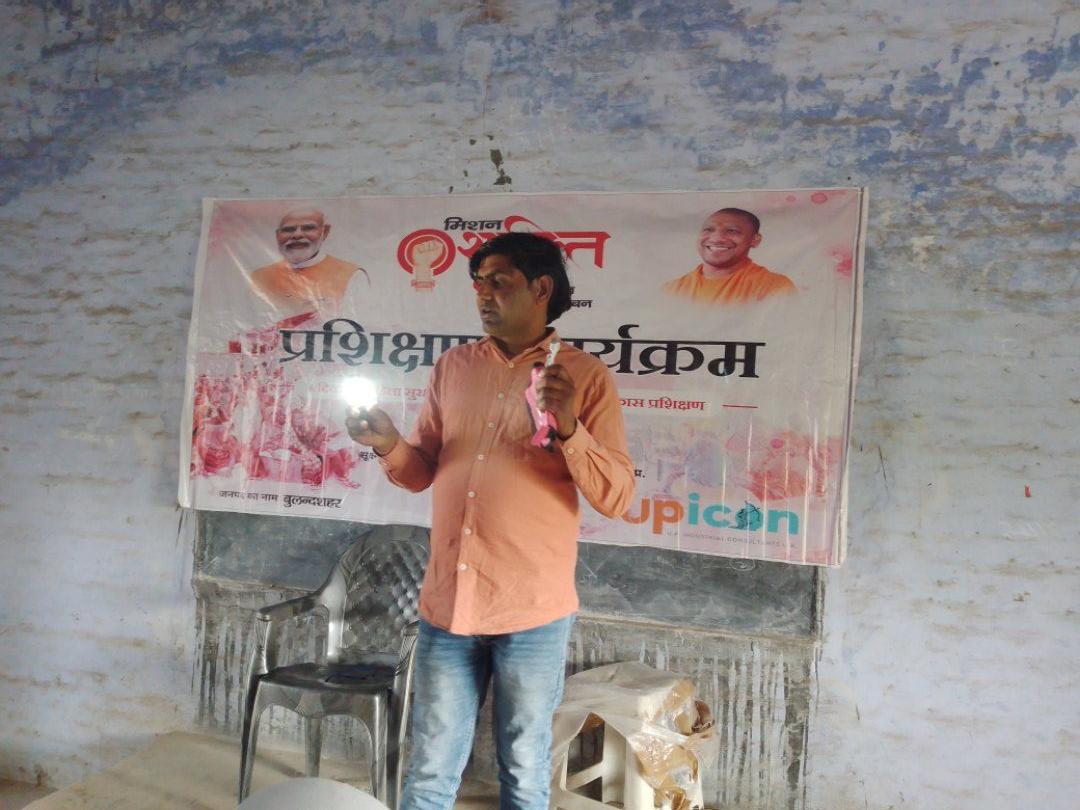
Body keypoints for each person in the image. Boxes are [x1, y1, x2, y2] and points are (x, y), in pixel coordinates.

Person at [345, 232, 635, 810]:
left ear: (541, 288)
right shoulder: (454, 367)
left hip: (531, 608)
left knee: (524, 768)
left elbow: (617, 497)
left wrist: (569, 426)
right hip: (449, 604)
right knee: (429, 768)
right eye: (478, 283)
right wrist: (388, 444)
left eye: (498, 282)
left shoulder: (583, 376)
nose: (482, 295)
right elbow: (421, 472)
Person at [663, 208, 796, 305]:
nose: (716, 239)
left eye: (732, 231)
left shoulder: (774, 287)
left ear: (755, 240)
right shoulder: (672, 289)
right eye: (708, 229)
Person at [249, 207, 368, 315]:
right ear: (277, 235)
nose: (297, 235)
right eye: (288, 229)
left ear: (325, 232)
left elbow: (359, 324)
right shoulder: (259, 277)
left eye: (308, 228)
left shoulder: (351, 274)